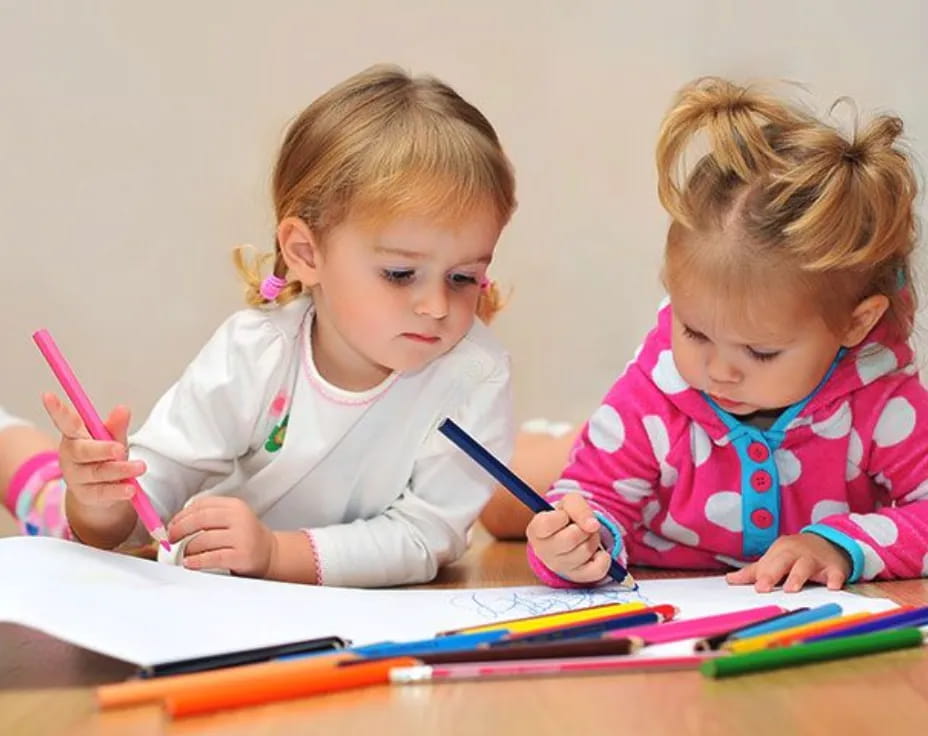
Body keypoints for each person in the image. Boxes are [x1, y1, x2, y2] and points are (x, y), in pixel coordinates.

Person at [39, 65, 517, 587]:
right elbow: (140, 508)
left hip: (346, 626)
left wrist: (275, 553)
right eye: (400, 274)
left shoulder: (475, 375)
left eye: (464, 277)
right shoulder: (257, 351)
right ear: (306, 253)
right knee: (49, 502)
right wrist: (100, 502)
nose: (436, 306)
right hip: (220, 602)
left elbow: (427, 536)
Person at [527, 77, 927, 593]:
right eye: (693, 331)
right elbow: (593, 499)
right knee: (508, 504)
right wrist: (576, 542)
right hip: (643, 499)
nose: (718, 370)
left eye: (760, 352)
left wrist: (838, 546)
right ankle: (551, 438)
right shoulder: (657, 391)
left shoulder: (880, 399)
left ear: (856, 322)